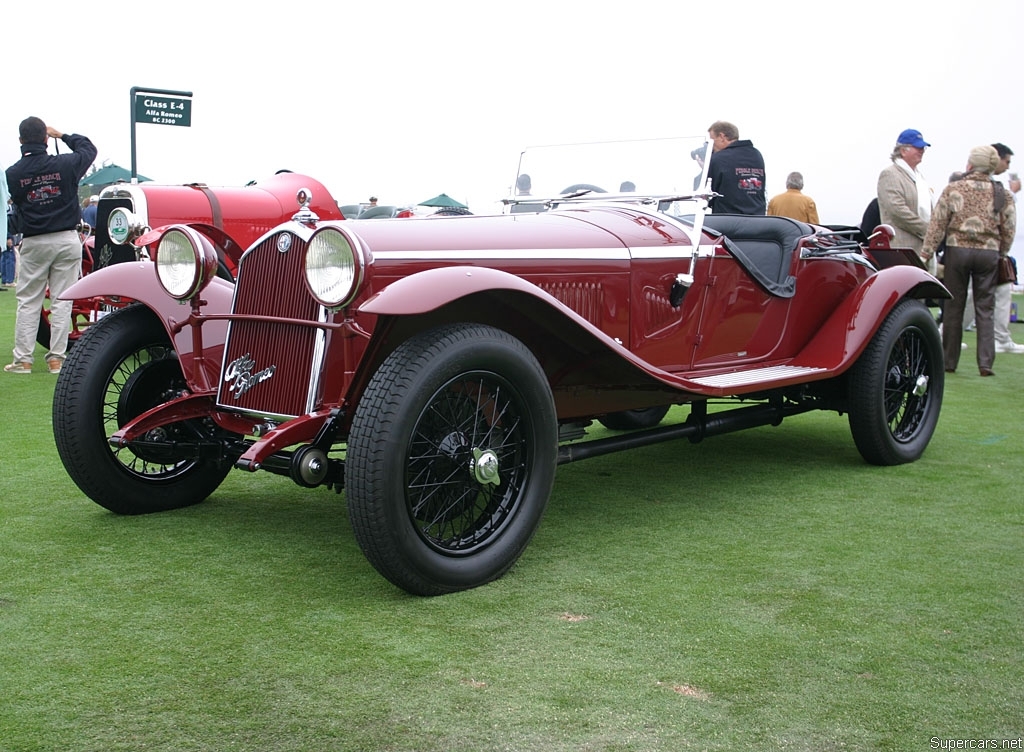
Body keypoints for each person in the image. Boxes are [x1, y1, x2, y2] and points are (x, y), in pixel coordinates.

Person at [4, 116, 97, 375]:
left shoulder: (13, 173)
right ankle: (56, 359)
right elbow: (88, 149)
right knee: (62, 300)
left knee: (28, 301)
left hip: (34, 240)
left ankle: (23, 360)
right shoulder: (65, 164)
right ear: (46, 139)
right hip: (66, 239)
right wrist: (63, 136)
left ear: (21, 141)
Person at [921, 145, 1016, 377]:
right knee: (986, 307)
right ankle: (985, 364)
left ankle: (948, 361)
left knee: (954, 306)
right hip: (988, 253)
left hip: (957, 251)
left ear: (971, 164)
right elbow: (1010, 228)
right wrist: (1002, 252)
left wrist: (926, 252)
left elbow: (938, 224)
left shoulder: (954, 188)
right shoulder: (1002, 193)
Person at [877, 128, 935, 274]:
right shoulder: (890, 174)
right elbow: (897, 211)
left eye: (923, 148)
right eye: (917, 147)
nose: (922, 150)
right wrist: (928, 230)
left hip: (921, 249)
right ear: (903, 150)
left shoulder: (919, 178)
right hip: (902, 249)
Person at [990, 143, 1023, 353]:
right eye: (1007, 161)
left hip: (967, 250)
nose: (1008, 165)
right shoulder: (996, 188)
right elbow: (1007, 220)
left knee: (974, 293)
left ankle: (945, 331)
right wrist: (1004, 251)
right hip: (990, 249)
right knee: (975, 294)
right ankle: (1001, 338)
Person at [705, 121, 766, 214]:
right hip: (756, 217)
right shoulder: (756, 155)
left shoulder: (719, 158)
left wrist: (705, 169)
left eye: (712, 141)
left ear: (722, 137)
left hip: (728, 219)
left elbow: (709, 194)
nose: (712, 146)